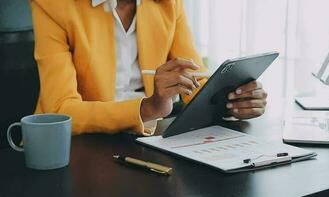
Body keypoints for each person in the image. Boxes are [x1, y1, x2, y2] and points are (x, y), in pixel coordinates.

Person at [31, 0, 267, 136]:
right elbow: (60, 111)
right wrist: (148, 107)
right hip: (78, 144)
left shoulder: (168, 3)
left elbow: (194, 78)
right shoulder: (52, 5)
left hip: (149, 137)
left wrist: (232, 101)